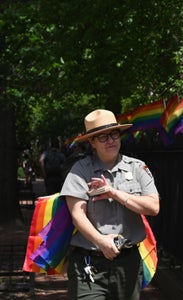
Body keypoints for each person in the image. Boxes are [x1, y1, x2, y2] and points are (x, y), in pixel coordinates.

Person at [60, 109, 160, 300]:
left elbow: (153, 207)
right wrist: (101, 241)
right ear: (92, 142)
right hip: (89, 262)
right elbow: (77, 216)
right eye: (103, 137)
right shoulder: (80, 170)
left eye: (114, 134)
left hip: (128, 262)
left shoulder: (138, 167)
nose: (111, 140)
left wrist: (115, 193)